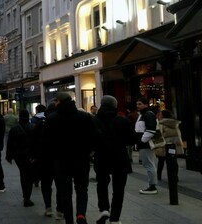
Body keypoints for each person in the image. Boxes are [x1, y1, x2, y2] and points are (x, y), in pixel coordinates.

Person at [42, 92, 96, 224]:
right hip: (81, 159)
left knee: (65, 191)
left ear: (59, 102)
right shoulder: (85, 116)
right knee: (82, 188)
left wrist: (52, 156)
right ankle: (81, 214)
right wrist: (88, 152)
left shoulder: (52, 118)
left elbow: (46, 142)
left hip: (61, 160)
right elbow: (93, 137)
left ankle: (69, 219)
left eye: (56, 101)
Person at [93, 95, 136, 224]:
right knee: (119, 189)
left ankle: (104, 208)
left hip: (101, 157)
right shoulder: (122, 120)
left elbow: (90, 140)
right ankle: (115, 219)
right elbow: (131, 140)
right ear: (115, 106)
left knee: (102, 184)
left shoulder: (94, 121)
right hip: (120, 158)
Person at [31, 102, 62, 218]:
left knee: (46, 184)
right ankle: (60, 210)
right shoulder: (62, 120)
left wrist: (34, 156)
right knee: (60, 185)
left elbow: (34, 140)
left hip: (44, 158)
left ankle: (48, 207)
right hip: (59, 158)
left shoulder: (41, 122)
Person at [6, 109, 35, 207]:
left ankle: (25, 196)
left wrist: (9, 156)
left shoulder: (15, 128)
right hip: (30, 155)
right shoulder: (33, 127)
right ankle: (27, 197)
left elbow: (10, 143)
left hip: (19, 155)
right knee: (29, 176)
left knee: (23, 175)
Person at [135, 97, 158, 194]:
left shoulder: (148, 114)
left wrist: (142, 140)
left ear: (145, 104)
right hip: (145, 143)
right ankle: (152, 185)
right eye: (137, 104)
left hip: (146, 144)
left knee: (149, 164)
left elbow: (150, 130)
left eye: (140, 104)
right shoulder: (143, 115)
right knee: (149, 164)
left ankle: (152, 186)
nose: (138, 106)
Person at [154, 109, 183, 181]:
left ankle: (158, 176)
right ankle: (175, 176)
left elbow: (158, 137)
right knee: (173, 161)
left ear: (163, 116)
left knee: (161, 161)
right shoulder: (175, 123)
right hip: (173, 145)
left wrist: (157, 147)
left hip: (164, 146)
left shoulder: (160, 124)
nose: (159, 116)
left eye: (160, 115)